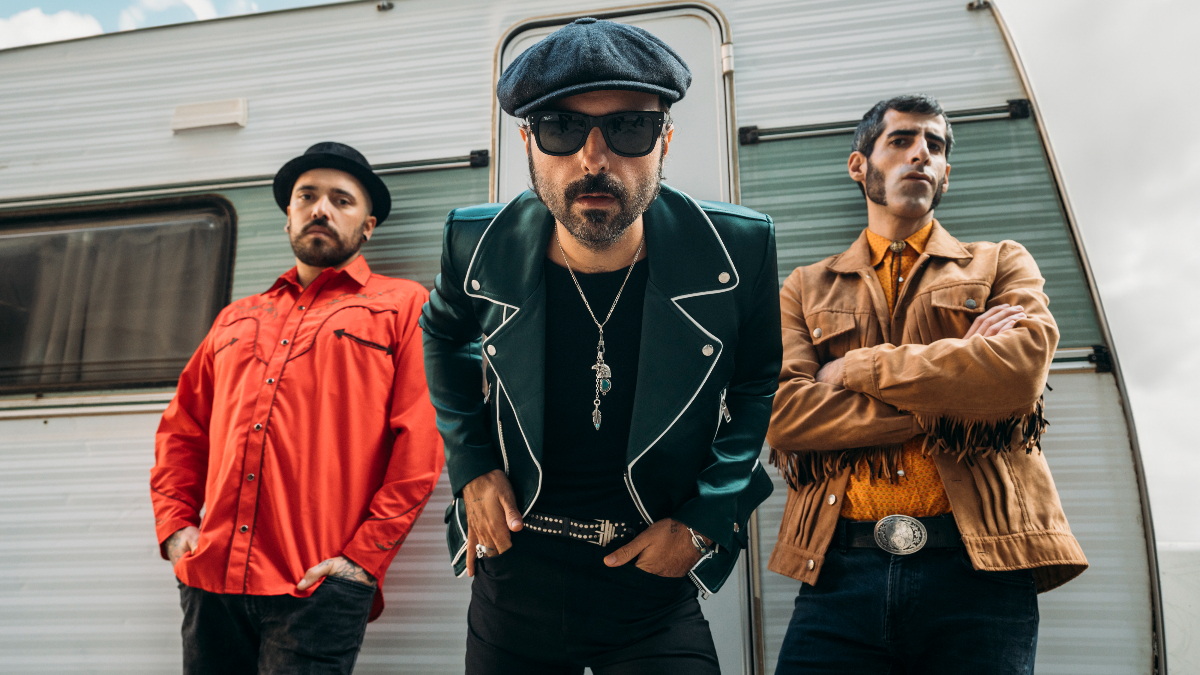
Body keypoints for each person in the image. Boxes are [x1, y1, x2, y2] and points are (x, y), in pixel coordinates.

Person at [420, 18, 782, 674]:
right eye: (561, 128)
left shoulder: (738, 248)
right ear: (528, 142)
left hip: (650, 582)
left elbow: (757, 382)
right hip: (514, 575)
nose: (593, 159)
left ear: (664, 139)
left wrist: (705, 519)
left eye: (628, 127)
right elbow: (444, 334)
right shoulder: (475, 245)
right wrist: (471, 465)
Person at [766, 94, 1089, 674]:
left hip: (981, 572)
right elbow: (787, 416)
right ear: (859, 165)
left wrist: (854, 369)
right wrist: (963, 384)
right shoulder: (805, 287)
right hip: (839, 574)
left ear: (946, 173)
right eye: (901, 140)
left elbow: (1018, 376)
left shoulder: (1000, 263)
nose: (920, 154)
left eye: (934, 146)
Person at [150, 142, 443, 675]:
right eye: (306, 197)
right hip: (210, 580)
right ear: (289, 215)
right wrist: (175, 527)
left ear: (368, 226)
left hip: (317, 586)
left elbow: (420, 445)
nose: (320, 209)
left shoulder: (404, 306)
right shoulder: (235, 318)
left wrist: (362, 560)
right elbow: (182, 430)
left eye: (341, 200)